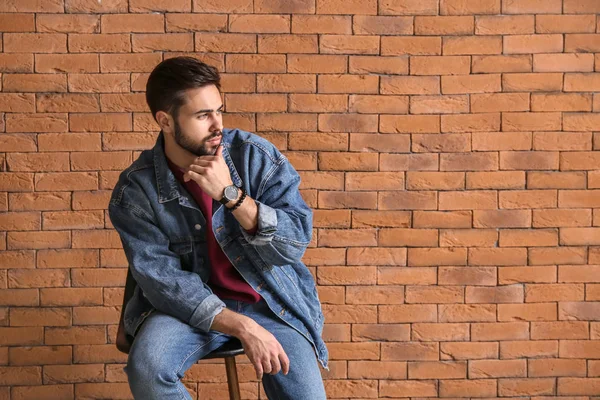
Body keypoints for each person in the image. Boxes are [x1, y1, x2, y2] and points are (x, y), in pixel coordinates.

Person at [108, 56, 328, 399]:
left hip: (269, 301)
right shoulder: (136, 191)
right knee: (148, 369)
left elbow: (294, 243)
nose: (217, 125)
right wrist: (242, 326)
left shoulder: (255, 157)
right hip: (188, 310)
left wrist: (232, 197)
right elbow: (162, 281)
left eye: (219, 111)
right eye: (202, 115)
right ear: (165, 121)